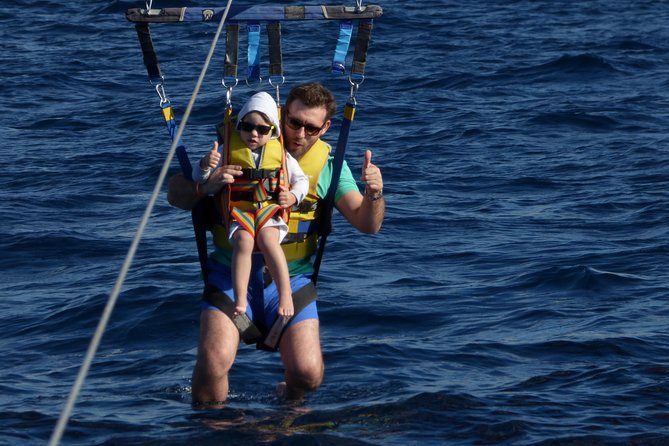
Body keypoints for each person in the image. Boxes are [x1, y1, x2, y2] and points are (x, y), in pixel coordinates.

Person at [167, 82, 384, 405]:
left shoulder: (328, 167)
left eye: (311, 128)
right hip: (229, 277)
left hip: (292, 281)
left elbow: (368, 224)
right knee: (213, 364)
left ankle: (289, 403)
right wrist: (205, 187)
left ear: (325, 128)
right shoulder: (239, 144)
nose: (300, 133)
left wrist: (375, 194)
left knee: (308, 373)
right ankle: (209, 425)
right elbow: (175, 194)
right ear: (281, 117)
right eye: (294, 122)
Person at [193, 92, 308, 319]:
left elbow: (301, 180)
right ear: (239, 126)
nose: (254, 134)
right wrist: (206, 166)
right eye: (247, 127)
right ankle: (240, 299)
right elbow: (200, 178)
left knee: (267, 239)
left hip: (268, 210)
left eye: (262, 130)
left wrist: (294, 196)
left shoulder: (282, 154)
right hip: (240, 211)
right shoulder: (227, 151)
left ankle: (285, 294)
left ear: (272, 131)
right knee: (244, 242)